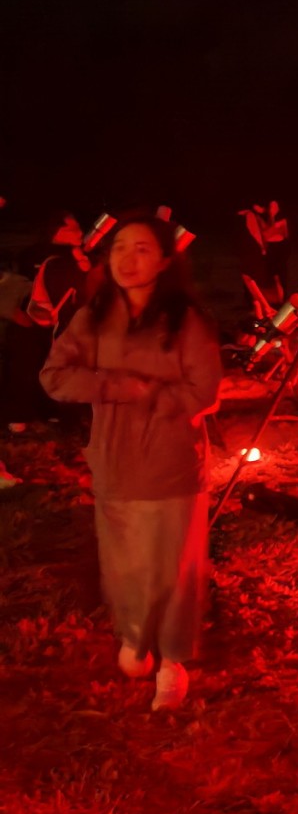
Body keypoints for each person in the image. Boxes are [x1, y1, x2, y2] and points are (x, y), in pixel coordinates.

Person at [39, 214, 223, 711]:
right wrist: (118, 386)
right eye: (120, 247)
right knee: (125, 562)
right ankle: (137, 635)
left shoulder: (186, 321)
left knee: (172, 567)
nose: (127, 259)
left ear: (164, 261)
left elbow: (204, 391)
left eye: (142, 248)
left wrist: (155, 398)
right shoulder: (94, 317)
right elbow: (55, 376)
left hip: (171, 464)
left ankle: (171, 662)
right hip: (115, 461)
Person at [4, 213, 91, 427]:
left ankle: (53, 412)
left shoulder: (79, 256)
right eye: (73, 229)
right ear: (57, 231)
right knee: (26, 367)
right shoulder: (34, 255)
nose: (80, 233)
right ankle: (19, 416)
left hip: (60, 323)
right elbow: (20, 286)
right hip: (29, 322)